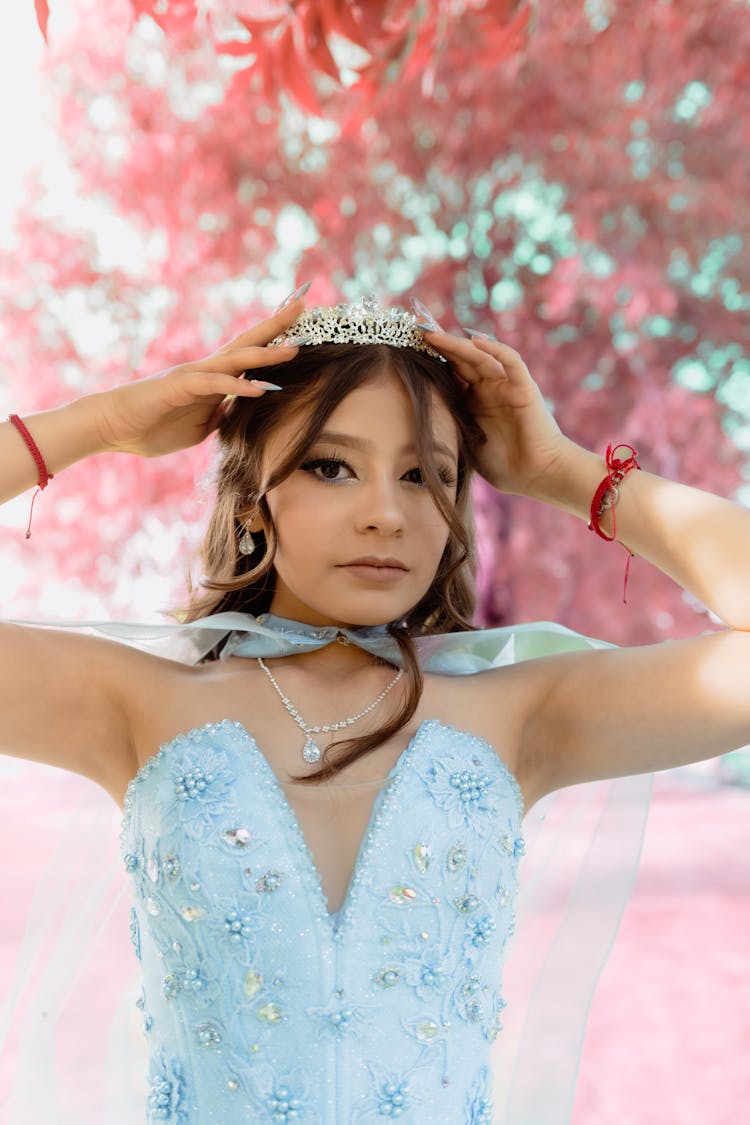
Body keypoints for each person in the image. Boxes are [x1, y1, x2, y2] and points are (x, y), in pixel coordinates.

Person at [1, 287, 748, 1124]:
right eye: (330, 465)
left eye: (427, 475)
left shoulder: (523, 713)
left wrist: (563, 471)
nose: (387, 514)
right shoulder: (134, 703)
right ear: (253, 498)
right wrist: (104, 424)